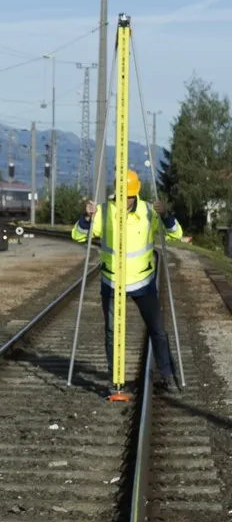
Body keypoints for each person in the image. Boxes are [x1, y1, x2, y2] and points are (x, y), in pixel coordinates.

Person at [71, 169, 183, 395]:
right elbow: (78, 235)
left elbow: (176, 234)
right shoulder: (103, 212)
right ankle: (115, 379)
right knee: (113, 333)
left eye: (129, 197)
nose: (125, 201)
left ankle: (168, 375)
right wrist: (86, 218)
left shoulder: (149, 212)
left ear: (135, 194)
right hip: (112, 282)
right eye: (122, 196)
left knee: (158, 330)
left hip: (143, 282)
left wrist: (166, 215)